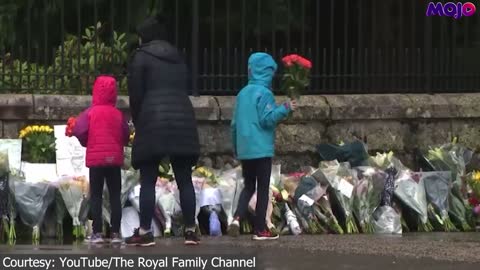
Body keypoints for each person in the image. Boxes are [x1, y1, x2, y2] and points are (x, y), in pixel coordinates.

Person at [125, 15, 201, 246]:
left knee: (148, 179)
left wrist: (139, 121)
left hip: (152, 118)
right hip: (182, 118)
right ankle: (190, 230)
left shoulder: (140, 58)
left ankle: (146, 231)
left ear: (144, 36)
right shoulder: (178, 56)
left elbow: (136, 95)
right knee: (184, 178)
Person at [228, 52, 297, 240]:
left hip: (245, 149)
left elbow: (234, 124)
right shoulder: (265, 94)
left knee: (248, 186)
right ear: (268, 73)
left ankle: (236, 218)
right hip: (261, 149)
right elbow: (267, 120)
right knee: (263, 187)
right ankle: (260, 230)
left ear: (251, 70)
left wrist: (236, 148)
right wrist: (284, 109)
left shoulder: (242, 93)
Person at [73, 75, 129, 245]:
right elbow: (125, 135)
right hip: (114, 160)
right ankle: (115, 232)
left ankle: (97, 232)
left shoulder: (90, 113)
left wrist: (86, 143)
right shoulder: (118, 114)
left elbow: (79, 129)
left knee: (96, 195)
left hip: (96, 160)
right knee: (114, 195)